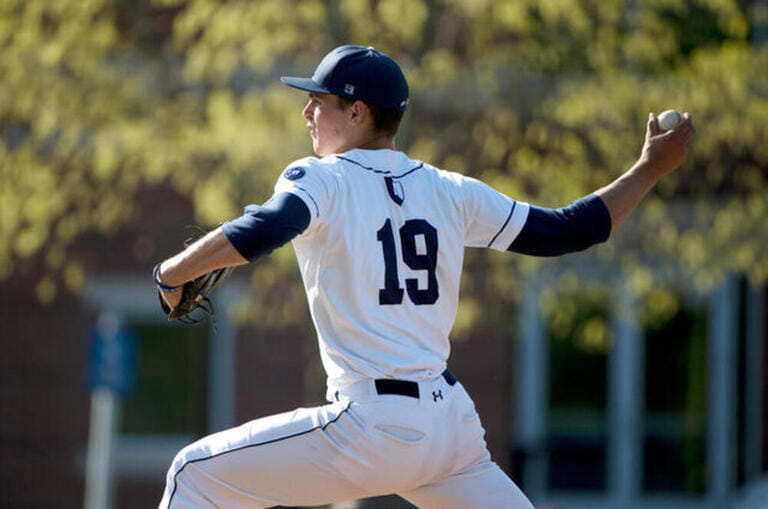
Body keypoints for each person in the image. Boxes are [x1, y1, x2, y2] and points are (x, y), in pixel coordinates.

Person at [154, 45, 694, 508]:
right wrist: (649, 168)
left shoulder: (322, 178)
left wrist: (173, 272)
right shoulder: (449, 189)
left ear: (358, 111)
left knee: (193, 474)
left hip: (372, 424)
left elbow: (267, 227)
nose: (307, 113)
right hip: (449, 429)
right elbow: (568, 231)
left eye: (319, 101)